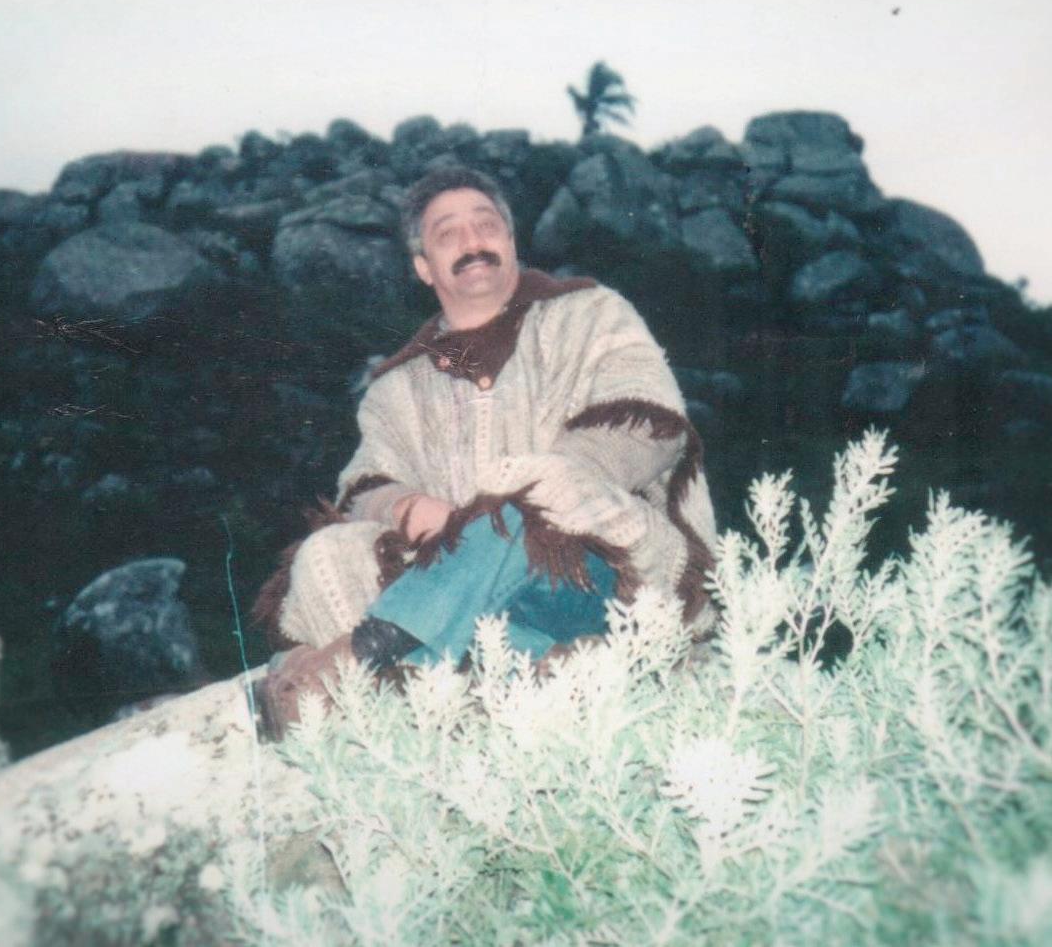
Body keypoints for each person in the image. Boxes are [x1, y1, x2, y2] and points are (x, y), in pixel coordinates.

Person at [250, 166, 714, 739]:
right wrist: (407, 510)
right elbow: (363, 486)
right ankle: (528, 668)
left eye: (487, 226)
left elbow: (648, 424)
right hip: (468, 606)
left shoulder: (593, 313)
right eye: (448, 234)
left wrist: (512, 505)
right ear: (424, 267)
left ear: (511, 241)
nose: (472, 242)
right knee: (328, 549)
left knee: (536, 492)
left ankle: (353, 659)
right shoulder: (396, 386)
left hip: (598, 573)